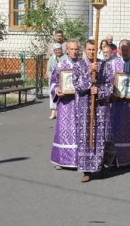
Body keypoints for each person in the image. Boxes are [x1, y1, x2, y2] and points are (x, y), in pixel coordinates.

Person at [72, 39, 115, 183]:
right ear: (85, 50)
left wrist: (99, 91)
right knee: (86, 138)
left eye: (93, 50)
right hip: (84, 107)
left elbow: (110, 87)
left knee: (102, 136)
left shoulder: (105, 65)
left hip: (101, 107)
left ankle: (102, 166)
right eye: (88, 49)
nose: (91, 52)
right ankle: (87, 171)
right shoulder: (78, 66)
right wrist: (88, 72)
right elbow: (77, 85)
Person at [49, 40, 80, 170]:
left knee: (79, 131)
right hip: (66, 104)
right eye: (71, 49)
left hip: (80, 103)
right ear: (67, 50)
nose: (74, 51)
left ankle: (79, 159)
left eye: (76, 49)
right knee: (64, 130)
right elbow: (53, 82)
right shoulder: (61, 65)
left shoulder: (83, 65)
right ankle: (60, 160)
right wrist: (57, 90)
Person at [46, 43, 67, 119]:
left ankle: (58, 111)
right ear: (54, 51)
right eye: (56, 50)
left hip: (63, 79)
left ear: (61, 50)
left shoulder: (65, 57)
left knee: (61, 95)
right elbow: (48, 70)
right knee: (52, 95)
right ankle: (53, 111)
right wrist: (52, 77)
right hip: (53, 80)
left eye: (59, 50)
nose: (58, 51)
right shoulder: (52, 58)